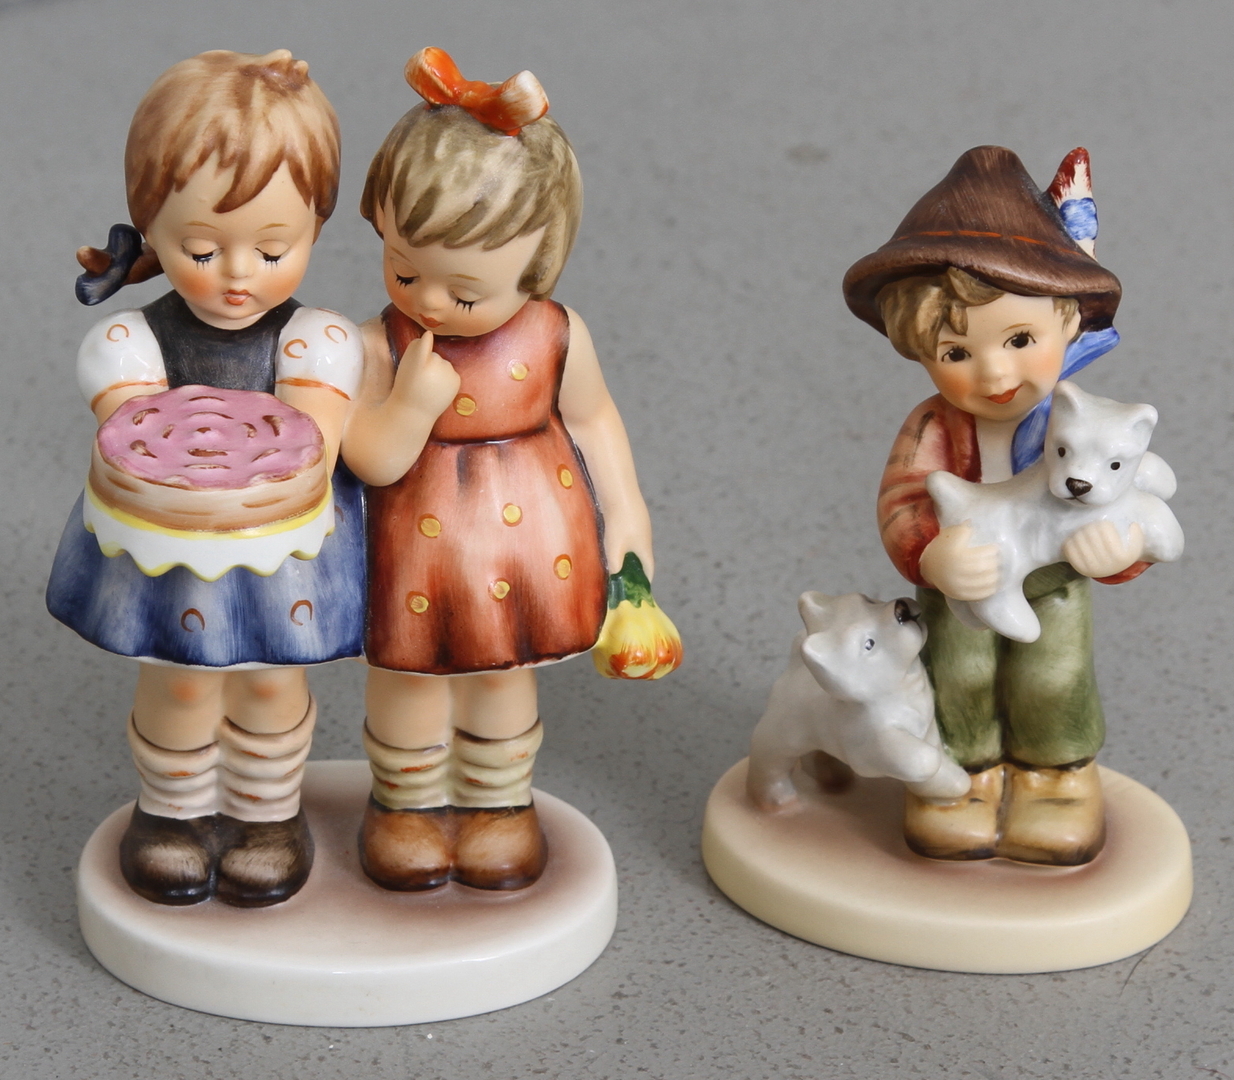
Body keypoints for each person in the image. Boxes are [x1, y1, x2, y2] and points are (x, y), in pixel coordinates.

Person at [344, 48, 667, 891]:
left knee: (501, 677)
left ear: (538, 264)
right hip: (413, 552)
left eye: (464, 291)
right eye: (404, 269)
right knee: (411, 682)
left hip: (529, 547)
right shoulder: (378, 344)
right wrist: (409, 407)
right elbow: (367, 456)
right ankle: (407, 805)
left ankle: (497, 803)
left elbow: (593, 419)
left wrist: (627, 516)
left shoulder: (557, 334)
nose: (428, 302)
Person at [46, 50, 364, 906]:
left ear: (317, 227)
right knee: (180, 675)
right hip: (169, 553)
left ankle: (267, 816)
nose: (237, 274)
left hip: (282, 554)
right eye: (200, 247)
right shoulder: (131, 344)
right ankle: (173, 814)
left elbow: (313, 441)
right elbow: (141, 440)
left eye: (273, 247)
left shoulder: (315, 342)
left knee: (269, 678)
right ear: (149, 229)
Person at [843, 145, 1143, 866]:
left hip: (1053, 585)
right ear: (921, 354)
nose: (996, 371)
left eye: (1021, 339)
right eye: (956, 353)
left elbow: (1126, 492)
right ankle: (961, 777)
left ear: (1069, 325)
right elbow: (903, 497)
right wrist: (932, 555)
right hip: (961, 589)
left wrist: (1119, 551)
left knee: (1054, 676)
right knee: (959, 676)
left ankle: (1055, 777)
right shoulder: (934, 427)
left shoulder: (1083, 421)